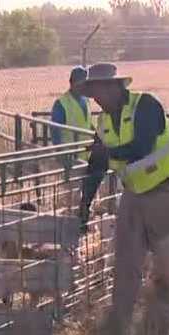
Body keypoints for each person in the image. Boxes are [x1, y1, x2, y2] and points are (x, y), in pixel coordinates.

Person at [79, 62, 169, 335]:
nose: (95, 98)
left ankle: (164, 327)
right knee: (125, 260)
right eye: (91, 92)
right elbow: (96, 166)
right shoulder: (103, 122)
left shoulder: (146, 105)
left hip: (166, 190)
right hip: (134, 194)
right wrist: (84, 205)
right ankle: (119, 325)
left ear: (116, 86)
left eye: (99, 90)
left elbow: (141, 146)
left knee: (167, 263)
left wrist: (107, 152)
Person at [50, 66, 109, 234]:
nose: (83, 87)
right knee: (72, 195)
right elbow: (55, 131)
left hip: (87, 154)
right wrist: (61, 155)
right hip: (70, 156)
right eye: (80, 83)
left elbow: (86, 123)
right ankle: (70, 229)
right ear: (72, 83)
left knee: (86, 192)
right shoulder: (62, 104)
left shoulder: (86, 101)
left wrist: (95, 136)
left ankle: (82, 224)